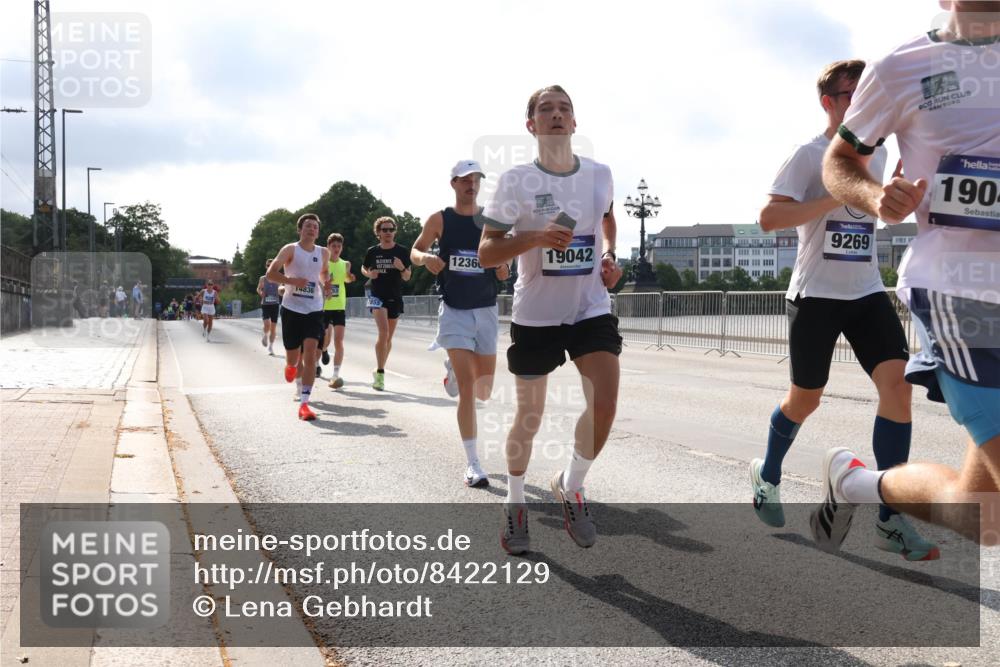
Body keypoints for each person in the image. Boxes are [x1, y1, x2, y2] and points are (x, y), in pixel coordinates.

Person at [812, 0, 1000, 550]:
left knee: (983, 518)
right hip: (961, 294)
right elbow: (839, 161)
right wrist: (876, 196)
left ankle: (856, 483)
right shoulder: (902, 66)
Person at [748, 60, 938, 561]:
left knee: (898, 387)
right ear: (828, 102)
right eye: (850, 93)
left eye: (865, 91)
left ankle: (889, 519)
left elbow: (885, 216)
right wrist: (830, 198)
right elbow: (768, 217)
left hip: (868, 292)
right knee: (805, 400)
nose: (861, 100)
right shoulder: (808, 155)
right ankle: (768, 475)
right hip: (815, 296)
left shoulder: (883, 154)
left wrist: (901, 197)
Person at [479, 85, 623, 554]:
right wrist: (536, 238)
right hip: (537, 313)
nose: (557, 115)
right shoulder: (516, 181)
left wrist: (612, 258)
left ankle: (571, 485)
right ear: (531, 125)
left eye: (565, 109)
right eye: (546, 109)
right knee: (531, 415)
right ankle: (515, 503)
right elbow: (486, 253)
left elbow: (607, 219)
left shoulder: (600, 174)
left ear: (575, 123)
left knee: (604, 404)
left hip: (589, 307)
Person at [412, 159, 511, 488]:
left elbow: (504, 255)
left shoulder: (491, 219)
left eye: (476, 179)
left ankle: (454, 369)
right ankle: (472, 464)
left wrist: (502, 267)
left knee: (484, 390)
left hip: (485, 308)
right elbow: (415, 250)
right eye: (465, 180)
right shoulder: (440, 219)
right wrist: (425, 258)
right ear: (453, 183)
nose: (471, 185)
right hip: (454, 308)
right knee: (468, 390)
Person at [267, 213, 331, 421]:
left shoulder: (323, 252)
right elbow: (271, 274)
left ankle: (305, 403)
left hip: (314, 308)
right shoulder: (290, 249)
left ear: (318, 232)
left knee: (311, 354)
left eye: (315, 226)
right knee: (294, 357)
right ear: (300, 230)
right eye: (307, 226)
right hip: (292, 308)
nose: (311, 229)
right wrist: (291, 281)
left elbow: (323, 273)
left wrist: (326, 283)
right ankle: (292, 367)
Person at [362, 216, 412, 391]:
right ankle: (381, 374)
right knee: (383, 333)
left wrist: (401, 268)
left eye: (391, 229)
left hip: (394, 296)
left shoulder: (402, 251)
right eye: (384, 230)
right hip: (377, 296)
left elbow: (407, 276)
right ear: (378, 233)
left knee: (388, 338)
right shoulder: (372, 251)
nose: (388, 233)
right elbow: (364, 267)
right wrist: (369, 274)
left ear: (394, 232)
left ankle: (378, 369)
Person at [320, 233, 355, 389]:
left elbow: (346, 279)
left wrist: (350, 278)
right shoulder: (323, 263)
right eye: (333, 246)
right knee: (325, 340)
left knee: (339, 341)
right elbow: (319, 280)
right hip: (325, 307)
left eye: (339, 246)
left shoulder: (345, 264)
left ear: (342, 248)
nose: (336, 249)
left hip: (339, 306)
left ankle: (335, 375)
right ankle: (322, 353)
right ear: (328, 247)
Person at [257, 259, 281, 355]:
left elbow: (282, 288)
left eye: (271, 265)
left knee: (273, 328)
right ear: (266, 266)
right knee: (267, 324)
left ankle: (271, 347)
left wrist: (281, 291)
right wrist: (260, 292)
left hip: (275, 304)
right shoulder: (263, 278)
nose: (269, 266)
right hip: (265, 304)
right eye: (268, 265)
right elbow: (258, 288)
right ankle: (265, 335)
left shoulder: (278, 278)